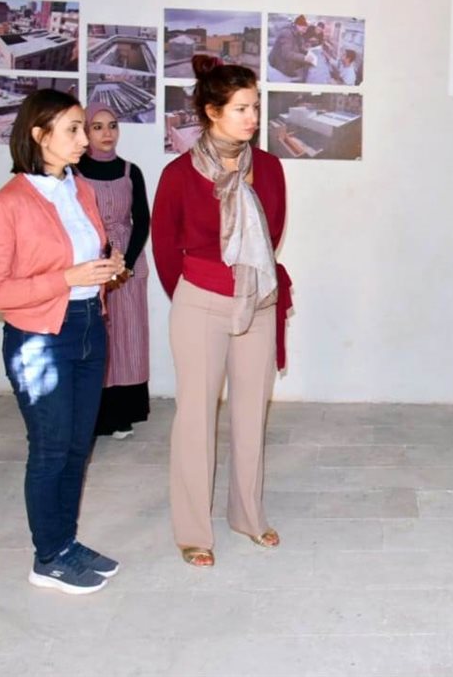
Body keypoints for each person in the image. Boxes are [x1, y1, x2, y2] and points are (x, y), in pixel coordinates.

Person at [0, 88, 126, 595]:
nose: (85, 139)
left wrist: (108, 266)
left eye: (84, 128)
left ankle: (65, 542)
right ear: (39, 135)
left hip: (88, 326)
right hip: (39, 338)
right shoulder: (8, 203)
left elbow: (88, 253)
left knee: (78, 447)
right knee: (50, 448)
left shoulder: (79, 188)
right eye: (74, 129)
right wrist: (68, 278)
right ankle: (47, 556)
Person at [151, 54, 293, 568]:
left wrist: (244, 287)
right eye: (241, 108)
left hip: (257, 302)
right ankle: (194, 531)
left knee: (251, 414)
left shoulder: (270, 168)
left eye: (255, 107)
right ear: (212, 112)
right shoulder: (178, 174)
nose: (253, 117)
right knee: (195, 418)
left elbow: (272, 233)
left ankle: (247, 516)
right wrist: (201, 291)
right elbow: (164, 248)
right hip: (200, 303)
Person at [76, 103, 151, 439]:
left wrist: (127, 265)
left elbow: (142, 220)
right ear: (85, 131)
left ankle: (124, 414)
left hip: (129, 265)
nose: (107, 133)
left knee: (128, 337)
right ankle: (94, 417)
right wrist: (104, 260)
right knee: (96, 336)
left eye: (112, 125)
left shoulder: (131, 171)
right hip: (91, 262)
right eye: (97, 127)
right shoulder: (73, 172)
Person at [267, 14, 315, 82]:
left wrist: (306, 52)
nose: (304, 31)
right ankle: (299, 80)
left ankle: (301, 78)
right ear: (297, 25)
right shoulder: (287, 34)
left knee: (308, 62)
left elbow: (299, 47)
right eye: (304, 29)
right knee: (304, 63)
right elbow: (286, 54)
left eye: (306, 29)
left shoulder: (298, 33)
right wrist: (304, 57)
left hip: (285, 57)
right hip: (277, 61)